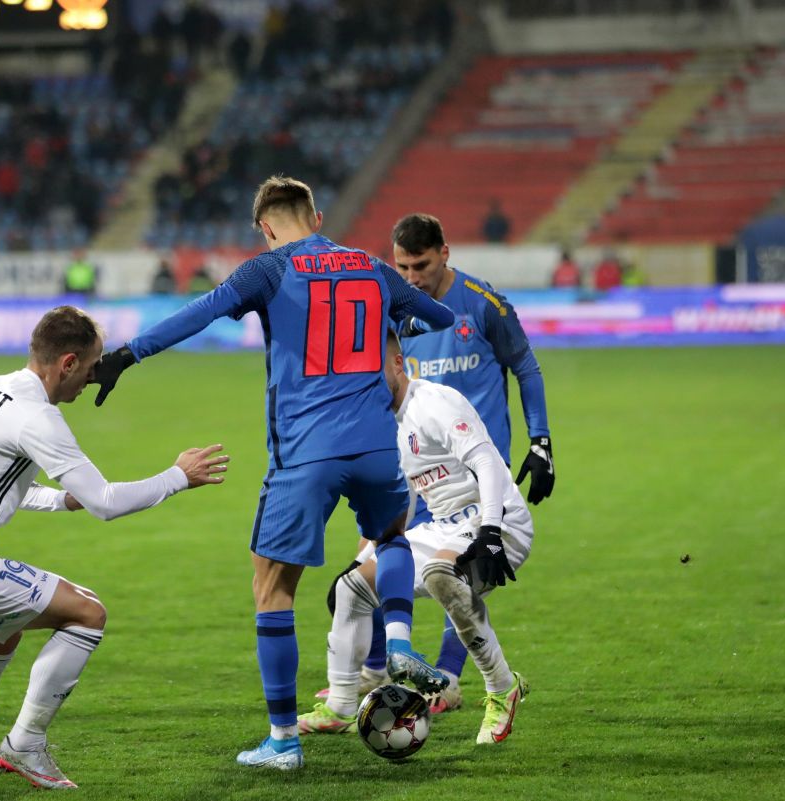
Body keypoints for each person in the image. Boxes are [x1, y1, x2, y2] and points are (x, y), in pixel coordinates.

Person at [89, 176, 456, 770]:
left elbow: (200, 313)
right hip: (376, 447)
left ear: (265, 228)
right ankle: (399, 642)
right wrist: (394, 323)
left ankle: (283, 741)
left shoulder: (269, 269)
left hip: (306, 453)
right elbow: (437, 315)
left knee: (272, 589)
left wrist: (125, 356)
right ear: (317, 215)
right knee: (390, 538)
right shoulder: (371, 267)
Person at [0, 306, 228, 788]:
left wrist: (62, 501)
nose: (93, 379)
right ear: (67, 363)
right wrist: (177, 477)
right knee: (87, 613)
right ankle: (25, 743)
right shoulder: (36, 417)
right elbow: (105, 502)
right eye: (91, 367)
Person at [349, 213, 551, 715]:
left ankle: (447, 679)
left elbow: (525, 366)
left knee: (454, 570)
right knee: (369, 561)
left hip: (475, 466)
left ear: (445, 253)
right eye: (402, 267)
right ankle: (373, 672)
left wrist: (541, 441)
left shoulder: (482, 304)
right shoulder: (398, 314)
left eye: (420, 265)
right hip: (416, 460)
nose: (411, 277)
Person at [299, 331, 532, 745]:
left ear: (397, 364)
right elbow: (402, 498)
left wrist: (492, 531)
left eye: (373, 372)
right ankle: (340, 706)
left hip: (498, 519)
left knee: (442, 574)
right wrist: (368, 553)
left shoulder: (434, 403)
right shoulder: (382, 423)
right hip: (444, 526)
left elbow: (486, 460)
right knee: (352, 587)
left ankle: (502, 688)